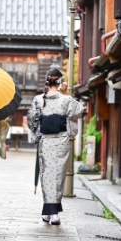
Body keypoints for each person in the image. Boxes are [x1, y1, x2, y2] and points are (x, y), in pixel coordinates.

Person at [27, 67, 84, 225]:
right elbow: (78, 111)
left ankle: (49, 211)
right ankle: (53, 212)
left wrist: (36, 131)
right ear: (60, 82)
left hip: (45, 140)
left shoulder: (39, 100)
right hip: (61, 141)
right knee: (58, 176)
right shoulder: (66, 99)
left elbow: (32, 120)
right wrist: (65, 93)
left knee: (47, 176)